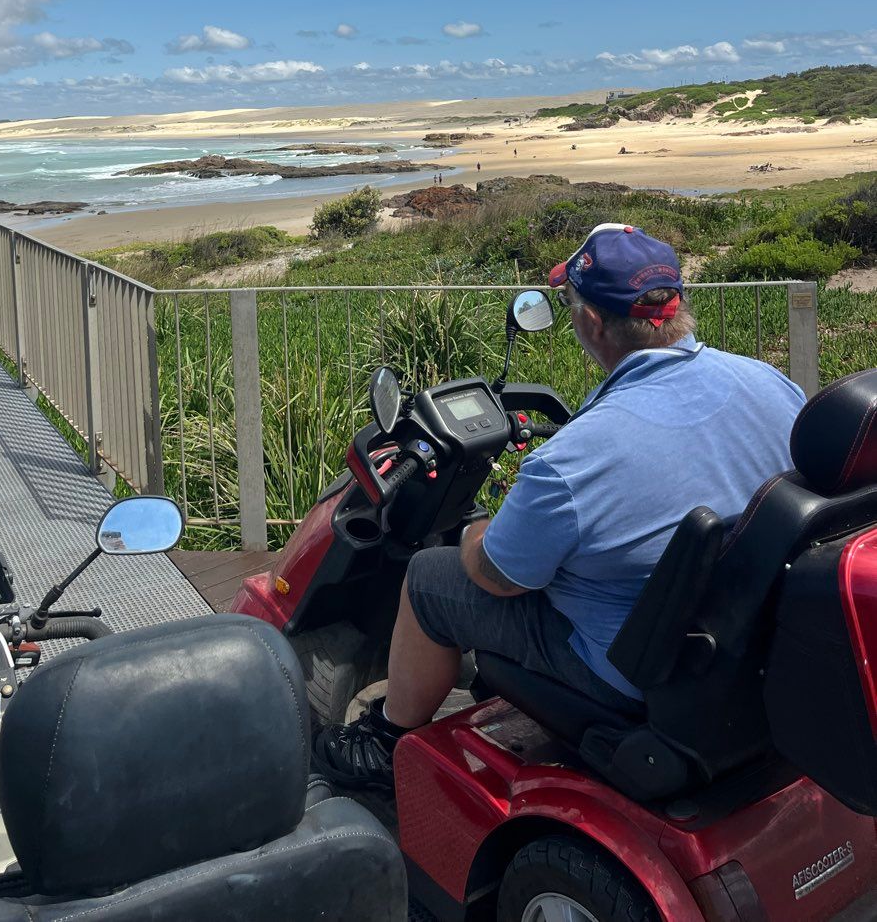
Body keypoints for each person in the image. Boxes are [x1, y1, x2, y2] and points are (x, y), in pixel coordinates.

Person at [312, 223, 805, 791]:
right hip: (749, 648)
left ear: (592, 321)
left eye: (570, 303)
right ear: (675, 305)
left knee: (428, 578)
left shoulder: (575, 460)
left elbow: (498, 578)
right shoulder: (772, 385)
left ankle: (386, 740)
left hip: (634, 675)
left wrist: (474, 531)